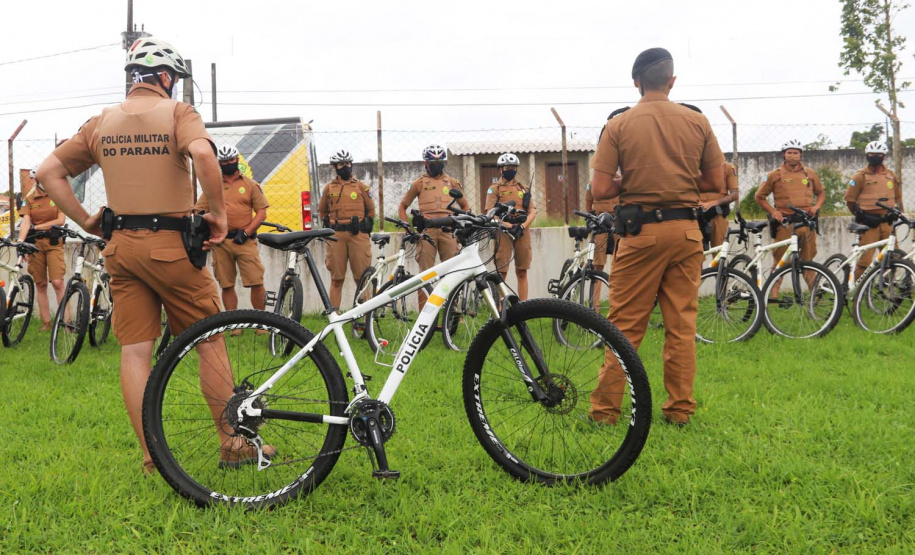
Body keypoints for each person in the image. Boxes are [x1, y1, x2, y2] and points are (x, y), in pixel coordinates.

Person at [36, 37, 269, 474]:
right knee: (209, 340)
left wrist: (87, 221)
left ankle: (151, 457)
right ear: (164, 77)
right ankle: (231, 442)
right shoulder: (178, 114)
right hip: (172, 247)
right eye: (174, 79)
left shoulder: (100, 122)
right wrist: (217, 214)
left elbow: (49, 172)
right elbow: (203, 153)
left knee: (136, 352)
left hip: (121, 249)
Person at [588, 47, 726, 427]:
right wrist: (678, 178)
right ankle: (679, 410)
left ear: (636, 83)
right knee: (681, 326)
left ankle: (604, 412)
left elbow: (600, 188)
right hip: (686, 233)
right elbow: (716, 181)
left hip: (640, 233)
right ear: (672, 80)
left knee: (626, 325)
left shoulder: (619, 125)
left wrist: (635, 179)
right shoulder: (697, 122)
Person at [194, 144, 269, 330]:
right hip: (221, 243)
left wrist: (247, 232)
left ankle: (262, 324)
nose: (228, 163)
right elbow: (199, 210)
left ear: (237, 160)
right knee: (226, 285)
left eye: (231, 160)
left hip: (245, 241)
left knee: (256, 282)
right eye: (224, 161)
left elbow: (261, 213)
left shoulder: (250, 185)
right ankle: (233, 325)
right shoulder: (213, 186)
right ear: (219, 163)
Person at [398, 144, 469, 308]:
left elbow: (465, 205)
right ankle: (425, 315)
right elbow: (402, 207)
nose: (436, 164)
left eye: (439, 161)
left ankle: (454, 314)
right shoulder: (419, 183)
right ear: (426, 163)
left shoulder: (451, 182)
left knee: (452, 272)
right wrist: (407, 229)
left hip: (449, 231)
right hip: (426, 232)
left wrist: (461, 228)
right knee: (425, 275)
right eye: (432, 161)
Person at [754, 139, 825, 297]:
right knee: (780, 261)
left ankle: (815, 295)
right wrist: (773, 212)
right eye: (789, 153)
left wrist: (816, 207)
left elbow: (821, 193)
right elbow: (759, 196)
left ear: (801, 155)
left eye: (796, 153)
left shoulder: (809, 173)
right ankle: (773, 296)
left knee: (808, 261)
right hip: (785, 224)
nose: (793, 156)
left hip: (807, 223)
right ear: (784, 155)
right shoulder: (775, 175)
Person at [318, 149, 375, 309]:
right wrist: (328, 226)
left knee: (362, 278)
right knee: (337, 279)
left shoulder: (362, 187)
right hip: (336, 236)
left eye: (348, 164)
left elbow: (371, 211)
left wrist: (365, 227)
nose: (345, 167)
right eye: (341, 164)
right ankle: (334, 318)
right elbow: (322, 211)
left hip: (358, 235)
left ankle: (364, 319)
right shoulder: (329, 188)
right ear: (335, 167)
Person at [845, 141, 904, 280]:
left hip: (888, 224)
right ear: (867, 155)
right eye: (872, 154)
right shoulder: (860, 176)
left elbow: (897, 198)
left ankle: (886, 289)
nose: (875, 156)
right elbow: (850, 201)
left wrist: (900, 215)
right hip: (868, 225)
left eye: (879, 154)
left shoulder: (891, 175)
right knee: (863, 262)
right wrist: (861, 216)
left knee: (891, 259)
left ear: (884, 156)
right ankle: (855, 290)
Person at [17, 169, 66, 331]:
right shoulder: (29, 199)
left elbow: (60, 220)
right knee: (41, 284)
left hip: (53, 243)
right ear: (37, 181)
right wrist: (20, 242)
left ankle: (67, 323)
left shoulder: (58, 195)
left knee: (58, 283)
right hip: (35, 244)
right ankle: (46, 323)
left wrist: (37, 227)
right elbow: (25, 222)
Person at [484, 153, 537, 300]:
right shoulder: (494, 189)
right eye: (507, 167)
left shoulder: (524, 188)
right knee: (502, 271)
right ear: (500, 169)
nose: (510, 170)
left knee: (522, 270)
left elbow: (532, 211)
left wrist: (522, 226)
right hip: (503, 232)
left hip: (522, 232)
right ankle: (500, 306)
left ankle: (524, 306)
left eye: (513, 168)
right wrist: (508, 226)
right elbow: (490, 213)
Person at [584, 173, 620, 306]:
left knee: (619, 265)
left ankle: (617, 303)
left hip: (618, 223)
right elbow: (588, 205)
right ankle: (595, 306)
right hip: (600, 223)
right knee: (598, 266)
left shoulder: (621, 181)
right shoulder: (593, 183)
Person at [700, 162, 739, 248]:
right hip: (699, 215)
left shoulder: (727, 168)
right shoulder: (694, 166)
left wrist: (713, 203)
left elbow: (735, 194)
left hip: (718, 214)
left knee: (719, 251)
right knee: (696, 254)